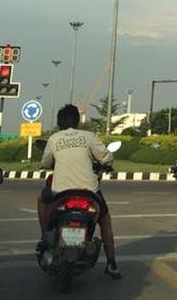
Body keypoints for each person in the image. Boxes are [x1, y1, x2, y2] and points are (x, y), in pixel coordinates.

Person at [37, 104, 122, 279]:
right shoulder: (88, 136)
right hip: (89, 191)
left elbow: (45, 163)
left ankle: (45, 237)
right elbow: (106, 156)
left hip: (60, 192)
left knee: (41, 200)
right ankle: (112, 263)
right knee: (104, 221)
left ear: (59, 122)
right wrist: (107, 164)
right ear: (77, 121)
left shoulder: (54, 139)